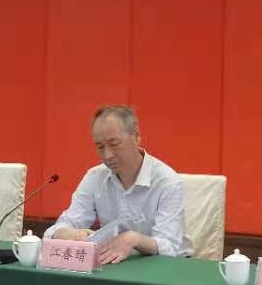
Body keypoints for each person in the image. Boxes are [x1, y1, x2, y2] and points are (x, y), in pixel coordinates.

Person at [45, 105, 190, 263]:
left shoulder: (168, 182)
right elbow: (60, 227)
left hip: (163, 266)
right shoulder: (95, 178)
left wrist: (134, 239)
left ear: (136, 137)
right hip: (114, 263)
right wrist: (63, 233)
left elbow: (170, 247)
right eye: (100, 147)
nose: (107, 155)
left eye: (114, 144)